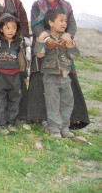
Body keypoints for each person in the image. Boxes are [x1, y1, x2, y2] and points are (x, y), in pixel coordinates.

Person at [25, 0, 89, 128]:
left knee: (66, 75)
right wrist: (47, 39)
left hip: (63, 45)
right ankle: (40, 117)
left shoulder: (66, 6)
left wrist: (67, 37)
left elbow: (71, 25)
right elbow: (35, 25)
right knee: (42, 76)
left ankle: (71, 118)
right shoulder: (37, 5)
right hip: (43, 44)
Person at [34, 9, 80, 138]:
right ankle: (54, 129)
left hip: (65, 77)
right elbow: (39, 54)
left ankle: (65, 128)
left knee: (67, 102)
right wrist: (41, 39)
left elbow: (74, 56)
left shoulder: (67, 37)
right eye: (61, 20)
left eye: (65, 21)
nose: (64, 23)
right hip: (50, 77)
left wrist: (69, 42)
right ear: (51, 22)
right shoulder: (46, 37)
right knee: (52, 103)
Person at [0, 13, 27, 134]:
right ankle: (1, 124)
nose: (11, 31)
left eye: (14, 28)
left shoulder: (19, 43)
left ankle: (11, 123)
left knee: (14, 99)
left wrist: (23, 73)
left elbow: (22, 58)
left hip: (15, 75)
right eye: (7, 28)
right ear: (1, 28)